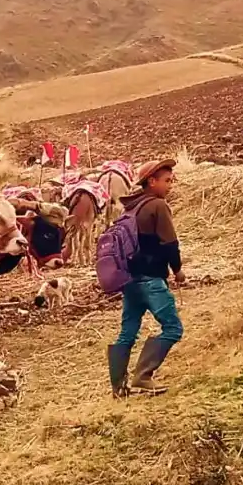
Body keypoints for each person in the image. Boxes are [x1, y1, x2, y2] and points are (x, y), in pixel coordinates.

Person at [107, 159, 185, 397]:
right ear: (151, 182)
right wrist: (178, 270)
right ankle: (143, 376)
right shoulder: (158, 206)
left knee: (127, 332)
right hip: (150, 279)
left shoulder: (130, 207)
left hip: (129, 279)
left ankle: (118, 386)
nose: (170, 185)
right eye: (167, 180)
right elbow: (170, 243)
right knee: (172, 327)